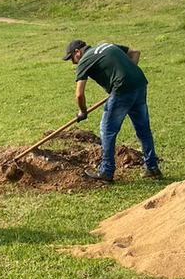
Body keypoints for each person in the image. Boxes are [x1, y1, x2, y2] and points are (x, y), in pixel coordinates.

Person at [62, 39, 161, 183]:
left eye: (72, 58)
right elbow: (135, 52)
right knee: (143, 128)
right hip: (139, 84)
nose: (73, 62)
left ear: (78, 52)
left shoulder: (85, 60)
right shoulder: (106, 45)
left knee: (107, 129)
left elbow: (79, 94)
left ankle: (106, 172)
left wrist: (82, 111)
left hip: (122, 90)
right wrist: (128, 74)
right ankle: (152, 167)